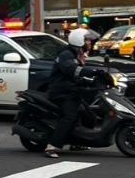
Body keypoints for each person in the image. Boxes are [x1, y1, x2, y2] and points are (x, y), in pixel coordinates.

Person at [44, 29, 105, 159]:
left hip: (72, 90)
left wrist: (95, 79)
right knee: (69, 117)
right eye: (87, 40)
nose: (89, 43)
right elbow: (72, 70)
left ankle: (78, 143)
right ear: (79, 41)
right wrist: (93, 72)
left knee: (90, 116)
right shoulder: (66, 55)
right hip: (61, 92)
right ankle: (52, 146)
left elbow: (78, 74)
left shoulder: (77, 53)